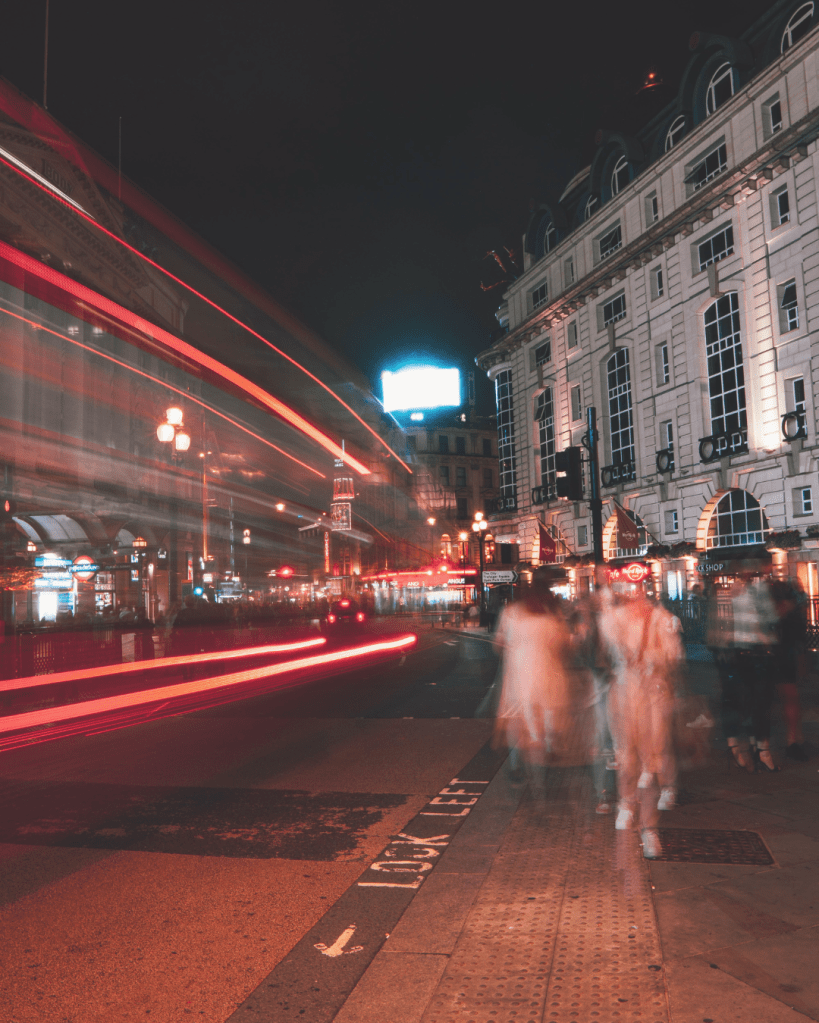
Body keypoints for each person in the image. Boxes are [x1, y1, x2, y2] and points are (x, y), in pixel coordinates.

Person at [599, 589, 683, 860]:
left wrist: (651, 657)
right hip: (624, 695)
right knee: (625, 755)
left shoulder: (662, 618)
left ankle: (649, 828)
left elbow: (675, 655)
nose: (636, 598)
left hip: (653, 697)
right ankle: (626, 804)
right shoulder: (613, 618)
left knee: (651, 762)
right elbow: (603, 646)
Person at [492, 570, 575, 776]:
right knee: (547, 714)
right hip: (548, 674)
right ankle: (547, 748)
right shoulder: (551, 616)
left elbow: (498, 645)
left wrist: (511, 647)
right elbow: (563, 645)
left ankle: (516, 765)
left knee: (517, 720)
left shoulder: (511, 613)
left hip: (519, 676)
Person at [730, 574, 779, 771]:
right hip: (759, 652)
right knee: (763, 702)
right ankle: (763, 751)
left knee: (749, 700)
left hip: (740, 651)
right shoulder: (760, 593)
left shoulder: (735, 597)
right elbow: (769, 618)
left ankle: (752, 744)